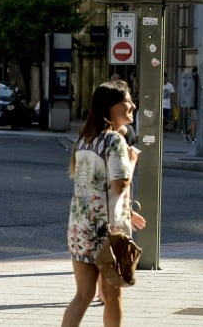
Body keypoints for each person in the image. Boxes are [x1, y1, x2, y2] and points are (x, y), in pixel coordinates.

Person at [62, 80, 146, 327]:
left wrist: (127, 210)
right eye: (127, 100)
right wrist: (131, 162)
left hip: (79, 229)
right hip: (106, 234)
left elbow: (93, 187)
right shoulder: (114, 141)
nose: (132, 104)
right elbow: (119, 185)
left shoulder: (85, 139)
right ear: (111, 108)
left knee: (82, 296)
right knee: (112, 297)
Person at [183, 67, 198, 143]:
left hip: (199, 104)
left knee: (196, 122)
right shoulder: (191, 83)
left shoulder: (200, 82)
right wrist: (188, 107)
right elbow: (188, 94)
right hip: (193, 105)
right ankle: (193, 138)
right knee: (194, 121)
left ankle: (186, 132)